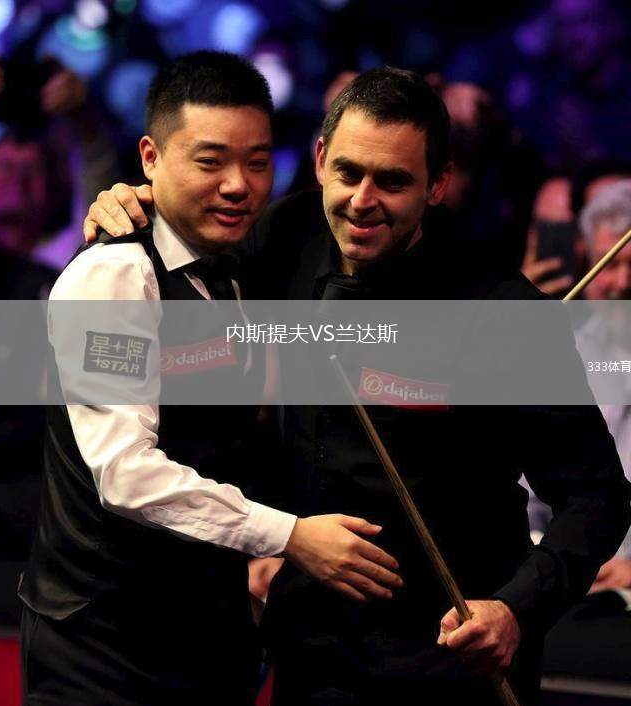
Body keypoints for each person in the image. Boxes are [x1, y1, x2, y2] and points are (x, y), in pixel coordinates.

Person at [84, 66, 631, 706]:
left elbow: (597, 498)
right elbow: (187, 255)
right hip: (309, 647)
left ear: (438, 184)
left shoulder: (501, 312)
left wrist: (516, 610)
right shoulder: (287, 236)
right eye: (348, 173)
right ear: (320, 160)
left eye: (392, 181)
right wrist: (136, 203)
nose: (362, 200)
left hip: (450, 657)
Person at [20, 51, 402, 706]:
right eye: (210, 161)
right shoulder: (113, 278)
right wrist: (290, 536)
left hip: (205, 641)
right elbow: (126, 475)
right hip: (103, 653)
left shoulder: (237, 266)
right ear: (150, 158)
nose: (237, 185)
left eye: (257, 162)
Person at [527, 180, 631, 683]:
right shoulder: (559, 354)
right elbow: (528, 504)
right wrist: (559, 561)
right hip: (569, 588)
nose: (622, 283)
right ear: (587, 262)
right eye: (610, 265)